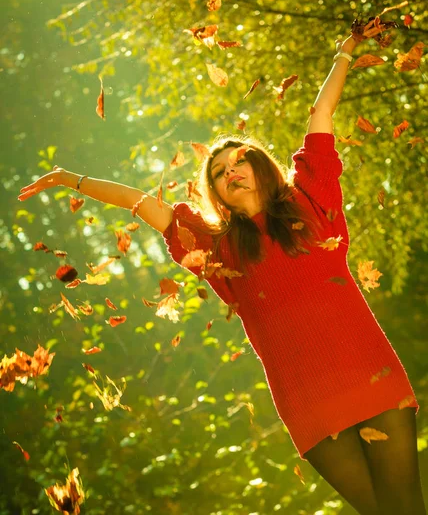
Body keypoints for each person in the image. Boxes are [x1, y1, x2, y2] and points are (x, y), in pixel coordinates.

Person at [18, 31, 426, 515]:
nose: (230, 172)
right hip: (308, 399)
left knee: (406, 506)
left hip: (369, 369)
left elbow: (321, 117)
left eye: (238, 162)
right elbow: (140, 202)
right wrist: (70, 179)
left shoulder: (312, 200)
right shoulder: (215, 248)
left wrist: (345, 51)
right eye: (217, 173)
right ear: (214, 191)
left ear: (259, 166)